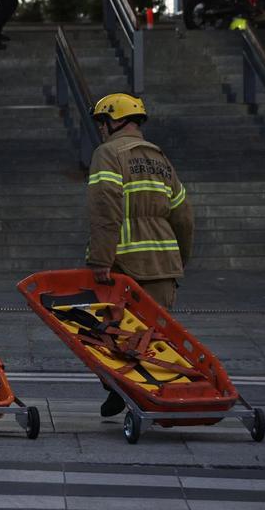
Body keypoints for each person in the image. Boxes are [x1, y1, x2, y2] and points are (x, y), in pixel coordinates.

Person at [86, 92, 194, 416]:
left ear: (113, 120)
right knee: (155, 339)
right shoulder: (160, 159)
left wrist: (102, 260)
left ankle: (120, 390)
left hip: (123, 265)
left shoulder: (108, 154)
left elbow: (106, 210)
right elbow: (184, 216)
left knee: (105, 335)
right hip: (163, 265)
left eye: (102, 122)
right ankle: (155, 395)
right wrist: (179, 259)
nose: (101, 129)